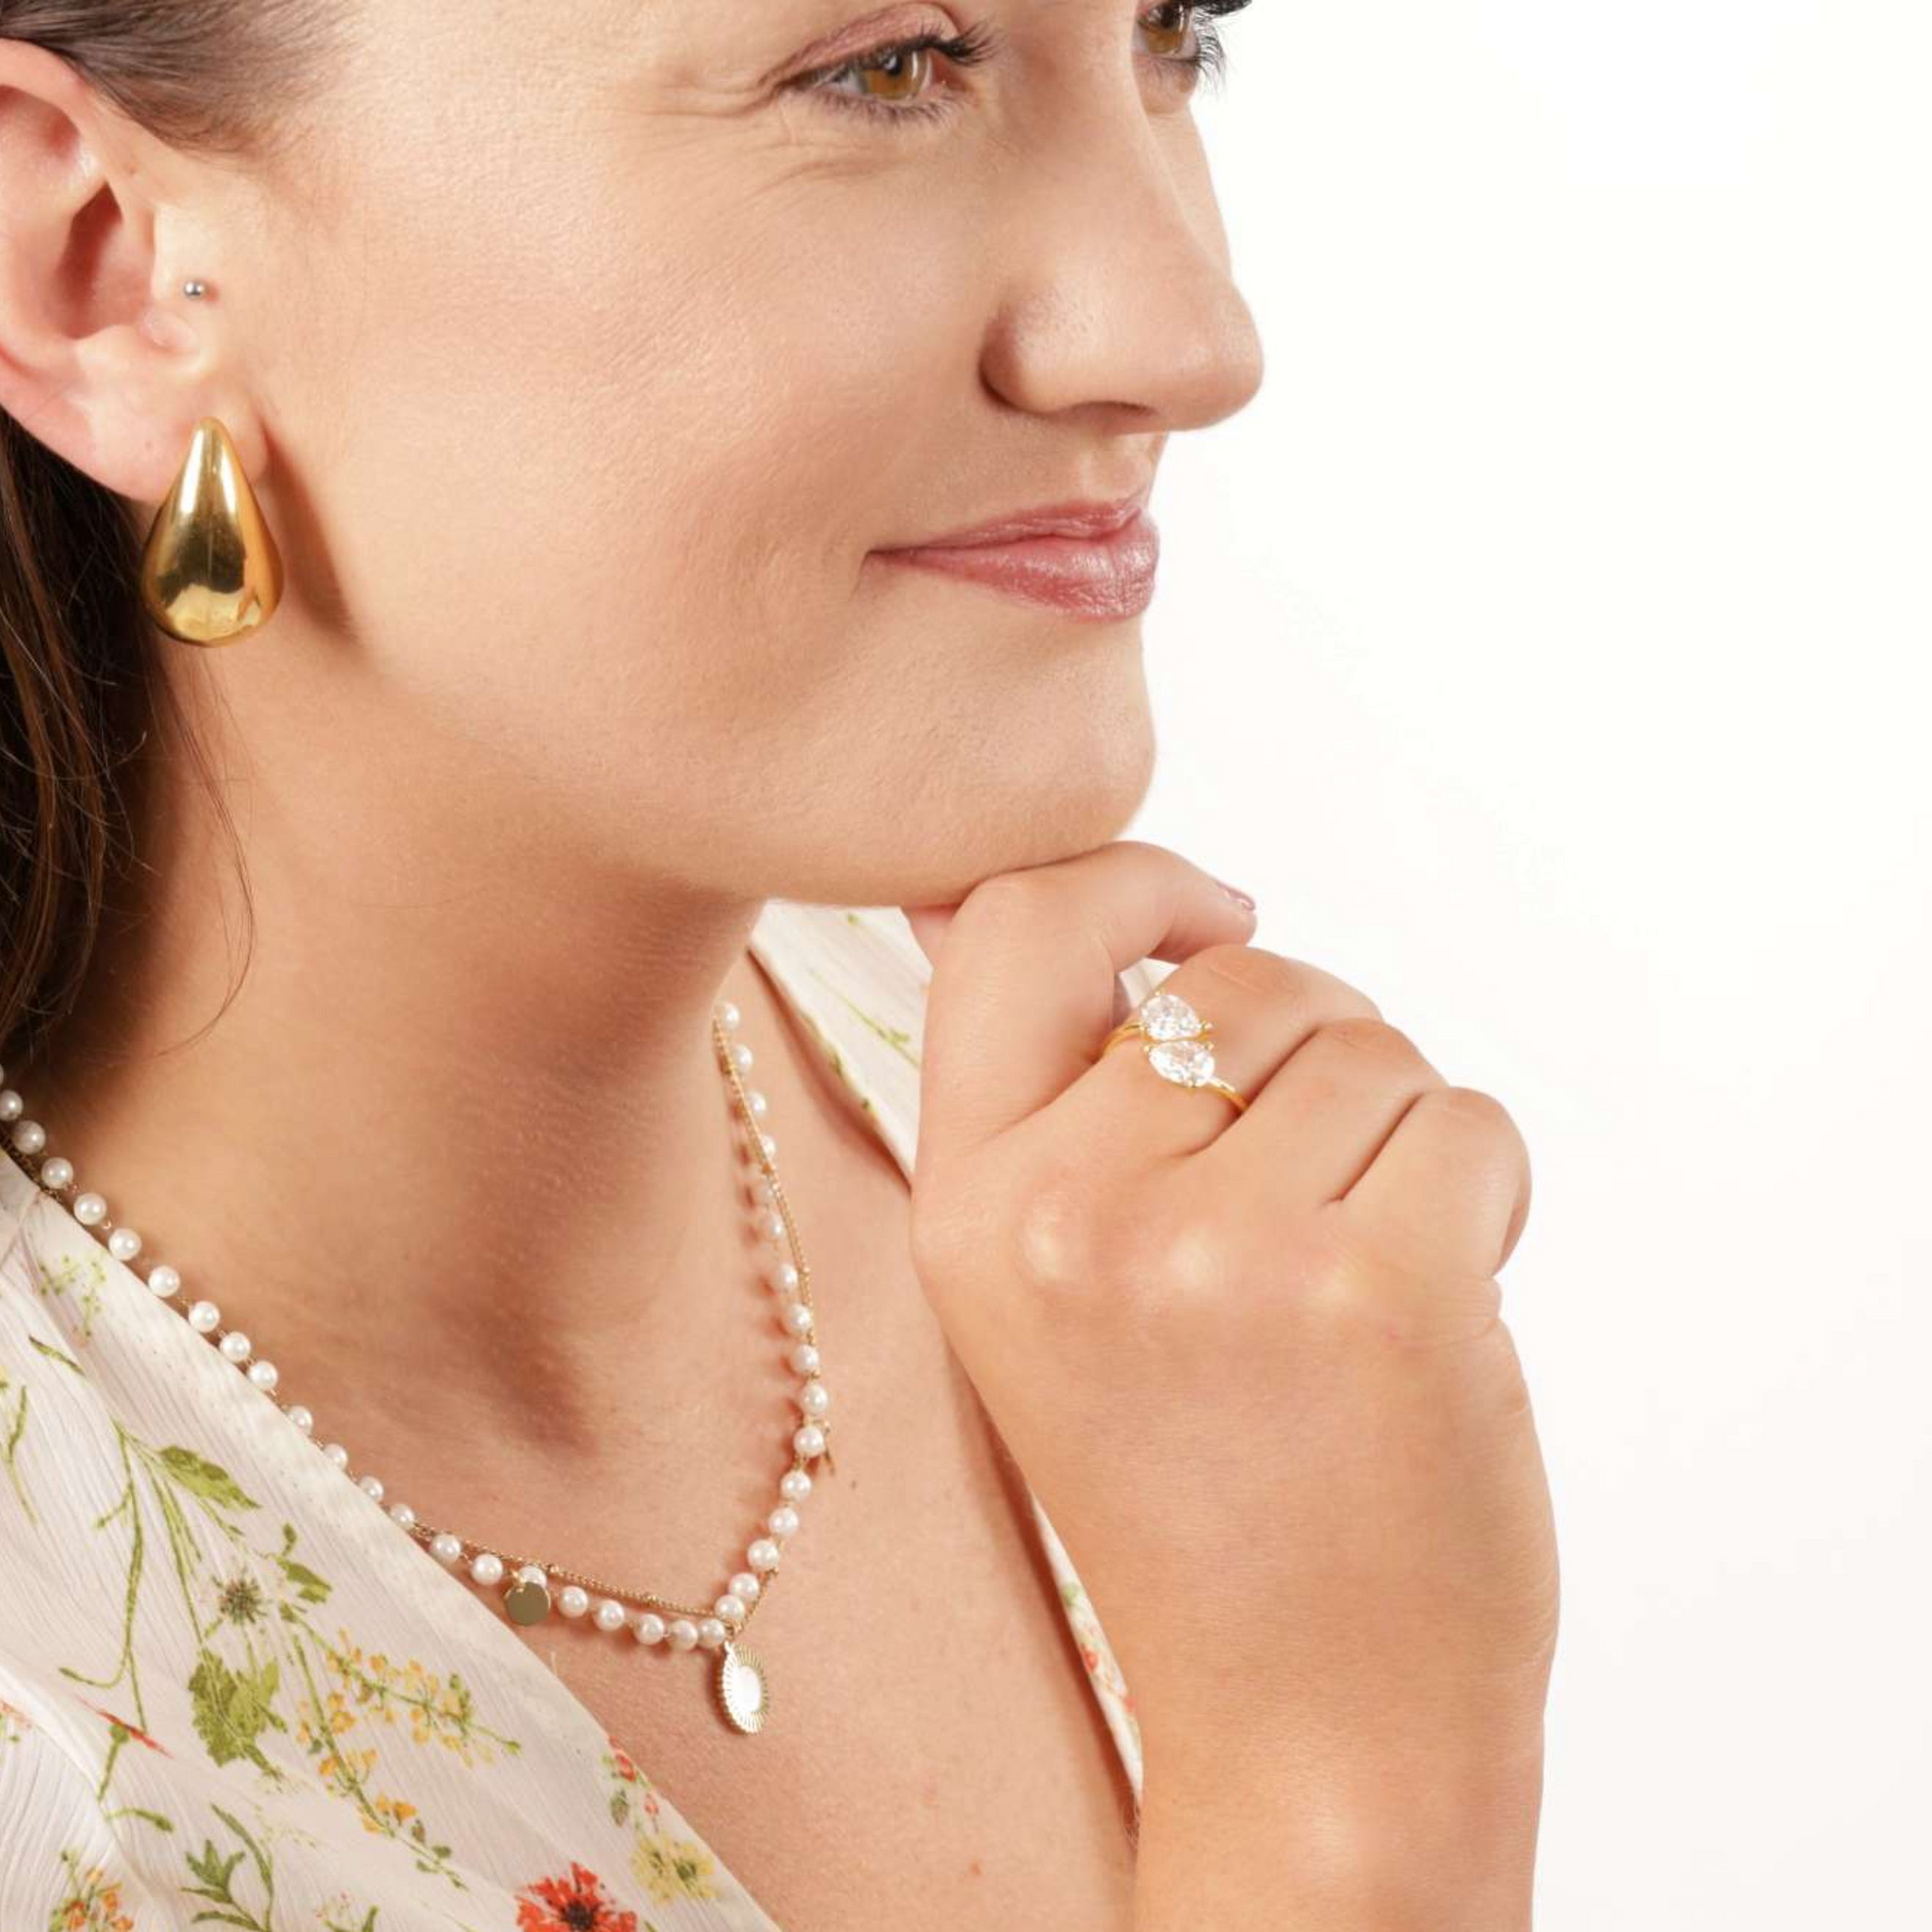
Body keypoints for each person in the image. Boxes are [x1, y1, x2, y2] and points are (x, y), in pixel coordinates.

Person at [0, 4, 1558, 1930]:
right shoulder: (53, 1782)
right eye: (887, 66)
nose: (1190, 332)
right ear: (104, 270)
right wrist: (1346, 1796)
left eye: (1177, 36)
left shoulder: (1138, 1208)